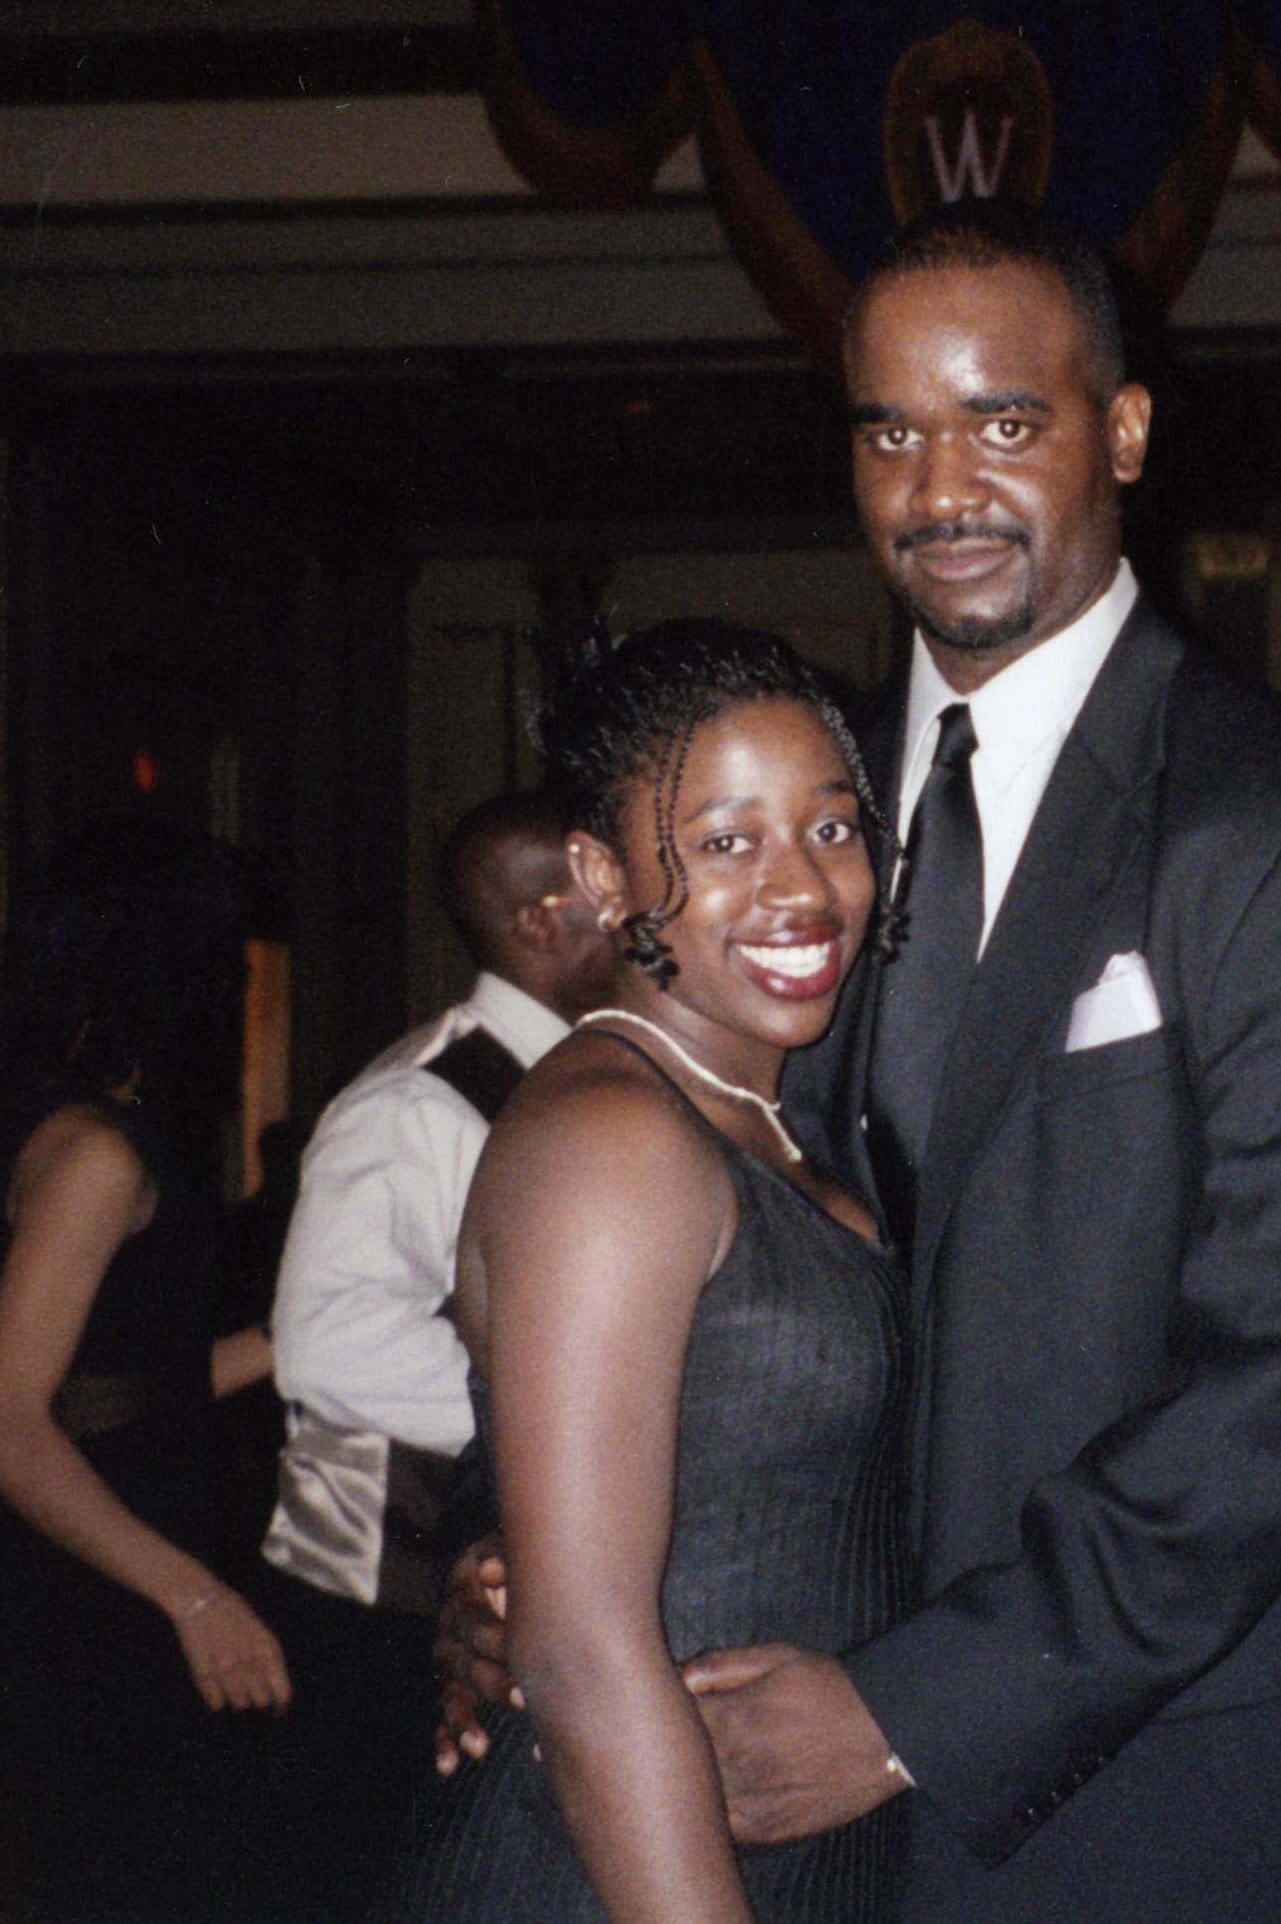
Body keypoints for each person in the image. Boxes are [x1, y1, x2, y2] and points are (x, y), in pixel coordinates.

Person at [439, 199, 1281, 1922]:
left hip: (1177, 1776)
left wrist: (913, 1711)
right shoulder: (794, 820)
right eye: (888, 432)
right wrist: (506, 1565)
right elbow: (619, 1254)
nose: (937, 488)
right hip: (781, 1778)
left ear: (1121, 431)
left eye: (1001, 421)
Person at [383, 620, 905, 1923]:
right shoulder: (610, 1135)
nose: (801, 886)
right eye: (726, 841)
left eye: (830, 827)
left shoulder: (764, 1113)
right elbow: (578, 1653)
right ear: (599, 874)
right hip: (615, 1875)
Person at [256, 792, 617, 1919]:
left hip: (490, 1575)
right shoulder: (420, 1099)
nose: (643, 906)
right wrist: (588, 1409)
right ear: (541, 919)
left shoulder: (585, 1075)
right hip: (384, 1593)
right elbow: (326, 1342)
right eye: (611, 885)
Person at [0, 813, 290, 1924]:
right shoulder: (97, 1151)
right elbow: (5, 1423)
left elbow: (124, 1380)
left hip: (120, 1551)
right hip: (107, 1577)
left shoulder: (93, 1119)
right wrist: (193, 1596)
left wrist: (294, 1342)